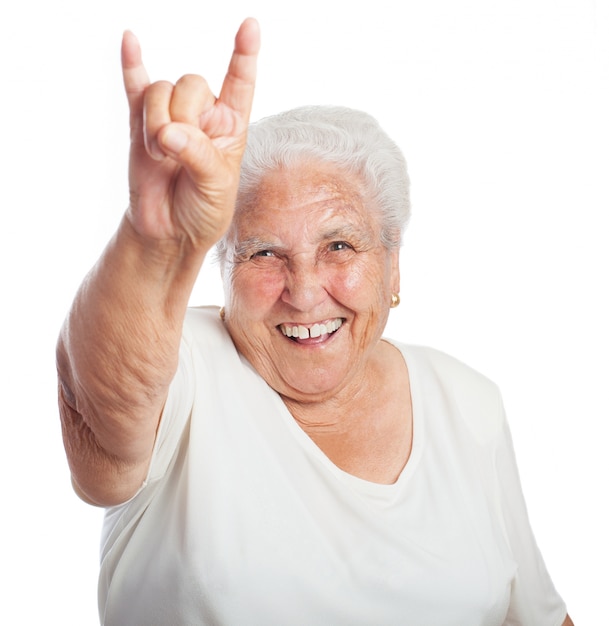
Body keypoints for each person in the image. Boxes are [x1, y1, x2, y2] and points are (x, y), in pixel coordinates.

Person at [56, 17, 574, 626]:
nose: (303, 293)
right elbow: (101, 441)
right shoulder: (182, 365)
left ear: (393, 266)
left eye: (339, 247)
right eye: (264, 253)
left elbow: (535, 616)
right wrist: (152, 242)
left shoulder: (468, 402)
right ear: (222, 268)